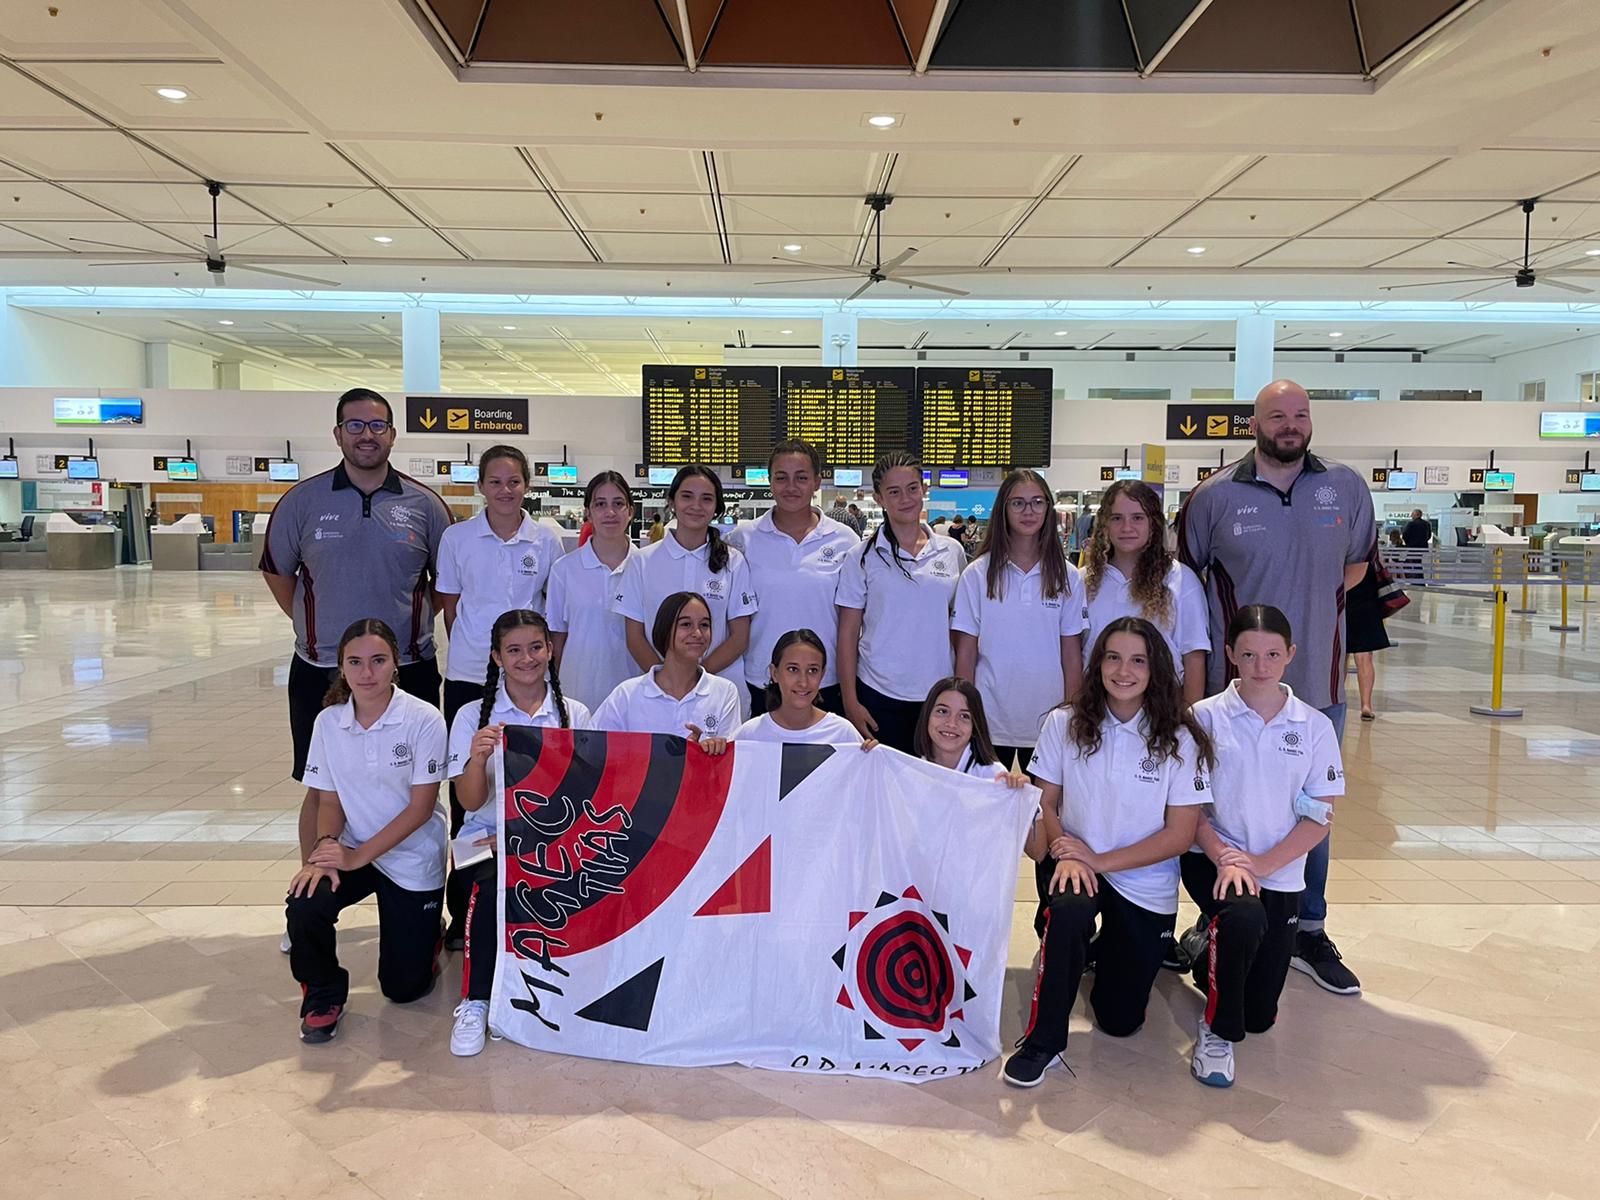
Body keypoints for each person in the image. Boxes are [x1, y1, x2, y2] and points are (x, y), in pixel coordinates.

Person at [1177, 378, 1372, 998]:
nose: (1290, 425)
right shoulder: (1214, 497)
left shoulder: (1344, 487)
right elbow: (1186, 580)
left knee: (1313, 813)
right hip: (1230, 693)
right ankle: (1222, 917)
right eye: (1277, 416)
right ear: (1253, 423)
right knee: (1225, 808)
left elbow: (1357, 564)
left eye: (1300, 415)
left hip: (1317, 686)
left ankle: (1307, 930)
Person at [260, 387, 452, 952]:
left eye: (378, 425)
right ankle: (314, 881)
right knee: (320, 785)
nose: (367, 434)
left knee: (414, 784)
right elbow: (279, 574)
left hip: (410, 668)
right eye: (355, 424)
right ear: (337, 432)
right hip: (321, 667)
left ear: (393, 434)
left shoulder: (424, 505)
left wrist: (402, 639)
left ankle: (417, 895)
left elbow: (444, 583)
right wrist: (319, 631)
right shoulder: (303, 501)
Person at [1002, 618, 1214, 1087]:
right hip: (1079, 867)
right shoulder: (1065, 723)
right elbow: (1046, 801)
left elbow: (1180, 834)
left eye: (1138, 660)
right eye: (1113, 657)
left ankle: (1103, 953)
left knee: (1119, 1021)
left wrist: (1101, 861)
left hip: (1143, 881)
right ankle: (1045, 1040)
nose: (1124, 670)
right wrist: (1072, 855)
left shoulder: (1179, 737)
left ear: (1155, 668)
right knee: (1069, 910)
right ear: (1098, 664)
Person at [1181, 605, 1344, 1088]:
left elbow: (1322, 815)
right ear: (1230, 655)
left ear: (1290, 654)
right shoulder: (1203, 717)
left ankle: (1204, 945)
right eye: (1248, 654)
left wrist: (1263, 864)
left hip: (1279, 871)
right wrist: (1229, 859)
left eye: (1272, 654)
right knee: (1242, 922)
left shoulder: (1313, 726)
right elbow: (1188, 807)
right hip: (1212, 860)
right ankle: (1216, 1030)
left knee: (1261, 1015)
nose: (1261, 665)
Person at [285, 619, 449, 1044]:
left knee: (403, 990)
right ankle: (322, 995)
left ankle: (428, 938)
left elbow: (421, 808)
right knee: (304, 902)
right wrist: (324, 850)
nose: (367, 673)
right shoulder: (328, 723)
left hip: (411, 856)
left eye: (378, 661)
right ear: (341, 667)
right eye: (355, 662)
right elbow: (330, 801)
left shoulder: (423, 719)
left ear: (396, 664)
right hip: (353, 848)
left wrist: (357, 856)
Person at [434, 445, 564, 948]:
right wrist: (486, 654)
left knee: (538, 775)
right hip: (473, 671)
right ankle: (462, 901)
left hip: (527, 670)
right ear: (481, 486)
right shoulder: (458, 538)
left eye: (514, 481)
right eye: (495, 481)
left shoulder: (546, 539)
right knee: (469, 782)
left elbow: (551, 604)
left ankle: (534, 874)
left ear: (526, 485)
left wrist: (528, 660)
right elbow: (451, 605)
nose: (505, 490)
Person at [445, 609, 591, 1057]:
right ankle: (476, 1001)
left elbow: (586, 798)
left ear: (550, 650)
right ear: (496, 657)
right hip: (483, 843)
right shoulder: (473, 716)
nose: (527, 659)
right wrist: (476, 758)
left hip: (551, 842)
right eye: (514, 650)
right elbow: (469, 803)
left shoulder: (574, 713)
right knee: (491, 889)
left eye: (535, 647)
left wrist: (524, 840)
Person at [953, 468, 1086, 772]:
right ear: (1004, 509)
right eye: (1018, 503)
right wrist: (965, 711)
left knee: (1042, 810)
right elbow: (967, 652)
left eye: (1037, 502)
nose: (1029, 511)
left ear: (1048, 509)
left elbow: (1071, 653)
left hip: (1048, 720)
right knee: (987, 806)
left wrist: (1071, 712)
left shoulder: (1067, 576)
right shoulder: (978, 574)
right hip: (989, 718)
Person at [836, 452, 967, 753]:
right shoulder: (862, 556)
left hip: (938, 696)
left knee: (933, 789)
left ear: (923, 490)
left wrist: (962, 692)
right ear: (880, 498)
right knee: (884, 792)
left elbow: (960, 630)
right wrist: (850, 701)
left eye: (912, 488)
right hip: (878, 694)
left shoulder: (951, 552)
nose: (905, 498)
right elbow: (846, 633)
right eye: (893, 492)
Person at [726, 441, 858, 718]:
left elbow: (852, 620)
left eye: (801, 477)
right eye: (781, 478)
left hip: (825, 679)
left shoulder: (845, 540)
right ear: (770, 481)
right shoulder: (744, 538)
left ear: (817, 482)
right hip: (763, 679)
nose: (791, 486)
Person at [616, 465, 756, 718]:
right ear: (672, 502)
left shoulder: (733, 562)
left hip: (719, 696)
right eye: (687, 496)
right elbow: (634, 635)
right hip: (656, 696)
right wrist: (666, 681)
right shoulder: (643, 561)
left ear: (716, 508)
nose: (696, 505)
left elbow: (739, 637)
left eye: (706, 499)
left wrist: (697, 679)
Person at [1082, 480, 1210, 705]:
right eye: (1117, 518)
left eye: (1137, 518)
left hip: (1160, 710)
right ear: (1104, 525)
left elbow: (1194, 659)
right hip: (1096, 709)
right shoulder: (1084, 581)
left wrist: (1188, 722)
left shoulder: (1180, 579)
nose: (1126, 527)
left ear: (1153, 524)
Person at [546, 471, 639, 711]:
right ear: (587, 512)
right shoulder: (564, 570)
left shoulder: (647, 566)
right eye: (600, 504)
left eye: (618, 504)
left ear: (630, 511)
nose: (610, 512)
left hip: (633, 698)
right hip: (578, 695)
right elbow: (557, 638)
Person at [593, 592, 742, 737]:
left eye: (704, 625)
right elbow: (593, 747)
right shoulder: (626, 694)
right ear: (665, 629)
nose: (697, 633)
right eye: (686, 624)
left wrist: (705, 752)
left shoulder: (725, 692)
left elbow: (732, 756)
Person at [732, 628, 863, 745]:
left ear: (822, 674)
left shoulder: (843, 733)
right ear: (775, 673)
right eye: (793, 669)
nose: (803, 682)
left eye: (812, 670)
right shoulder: (749, 734)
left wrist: (871, 754)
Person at [911, 676, 1029, 787]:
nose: (952, 723)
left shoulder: (994, 775)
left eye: (964, 716)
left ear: (975, 726)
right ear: (926, 716)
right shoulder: (907, 771)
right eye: (942, 711)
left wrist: (1022, 796)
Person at [1344, 546, 1391, 721]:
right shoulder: (1368, 546)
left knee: (1341, 655)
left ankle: (1338, 699)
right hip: (1366, 600)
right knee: (1364, 656)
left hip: (1344, 600)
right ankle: (1366, 704)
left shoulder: (1339, 543)